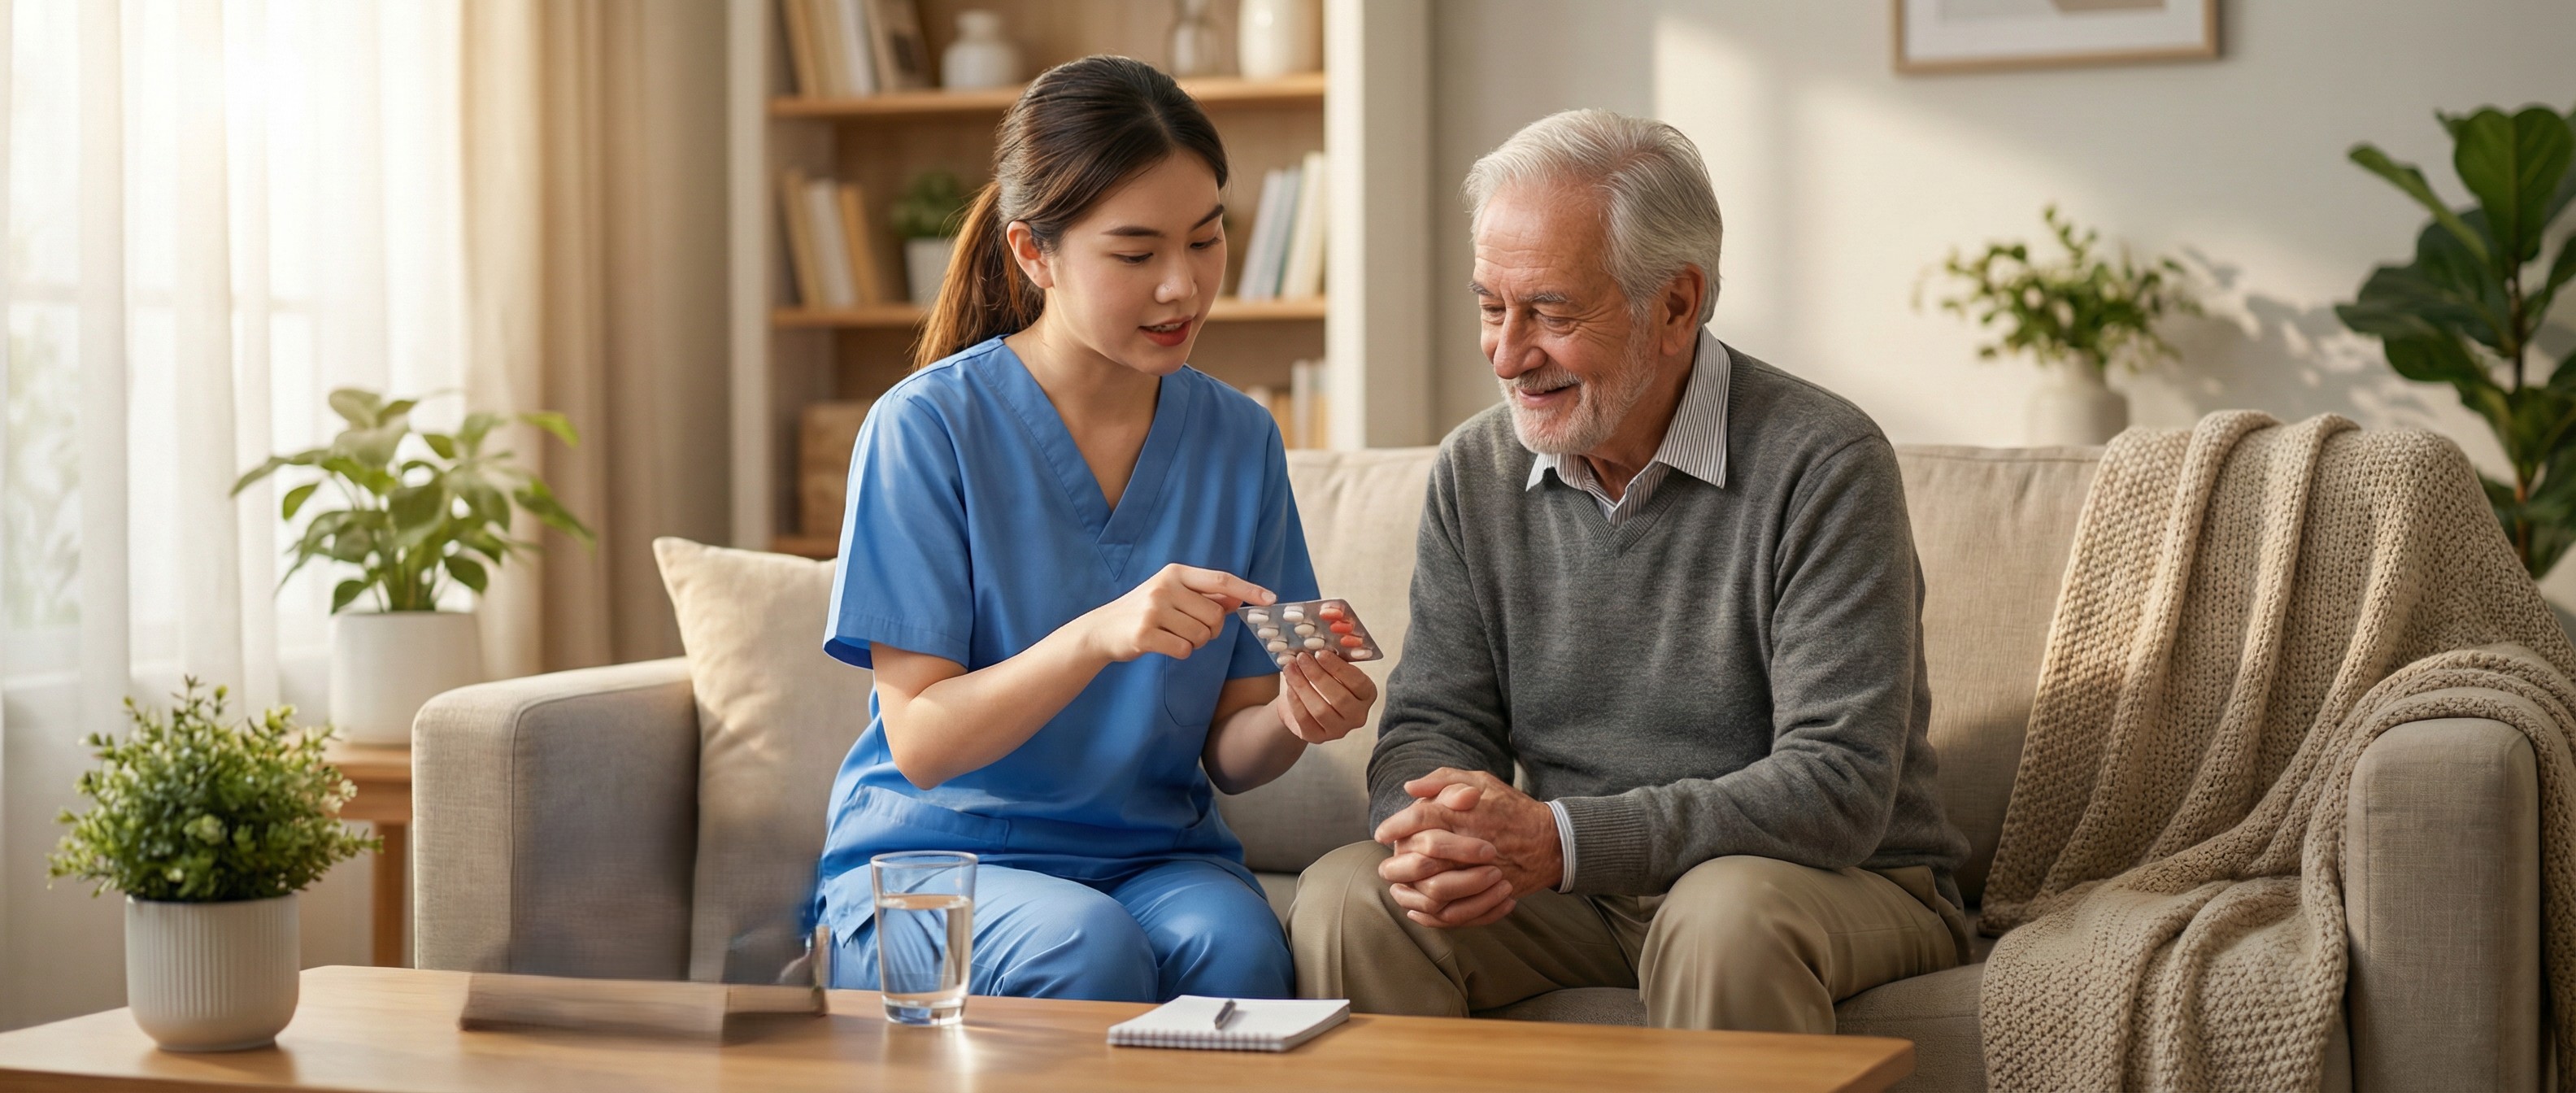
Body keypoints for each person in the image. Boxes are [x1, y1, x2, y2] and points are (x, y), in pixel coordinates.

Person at [1289, 109, 1973, 1032]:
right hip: (1578, 891)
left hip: (1829, 884)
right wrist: (1432, 823)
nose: (1505, 352)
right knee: (1349, 897)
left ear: (1678, 306)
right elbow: (1434, 721)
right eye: (1491, 306)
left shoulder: (1823, 461)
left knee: (1720, 917)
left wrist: (1560, 839)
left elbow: (1836, 787)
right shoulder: (1474, 470)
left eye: (1551, 313)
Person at [816, 55, 1379, 1004]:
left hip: (1155, 859)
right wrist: (1098, 634)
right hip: (931, 875)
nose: (1182, 287)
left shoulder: (1238, 438)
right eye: (1136, 253)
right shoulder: (926, 429)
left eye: (1206, 242)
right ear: (1034, 253)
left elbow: (1232, 754)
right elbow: (921, 740)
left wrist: (1292, 715)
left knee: (1237, 949)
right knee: (1083, 945)